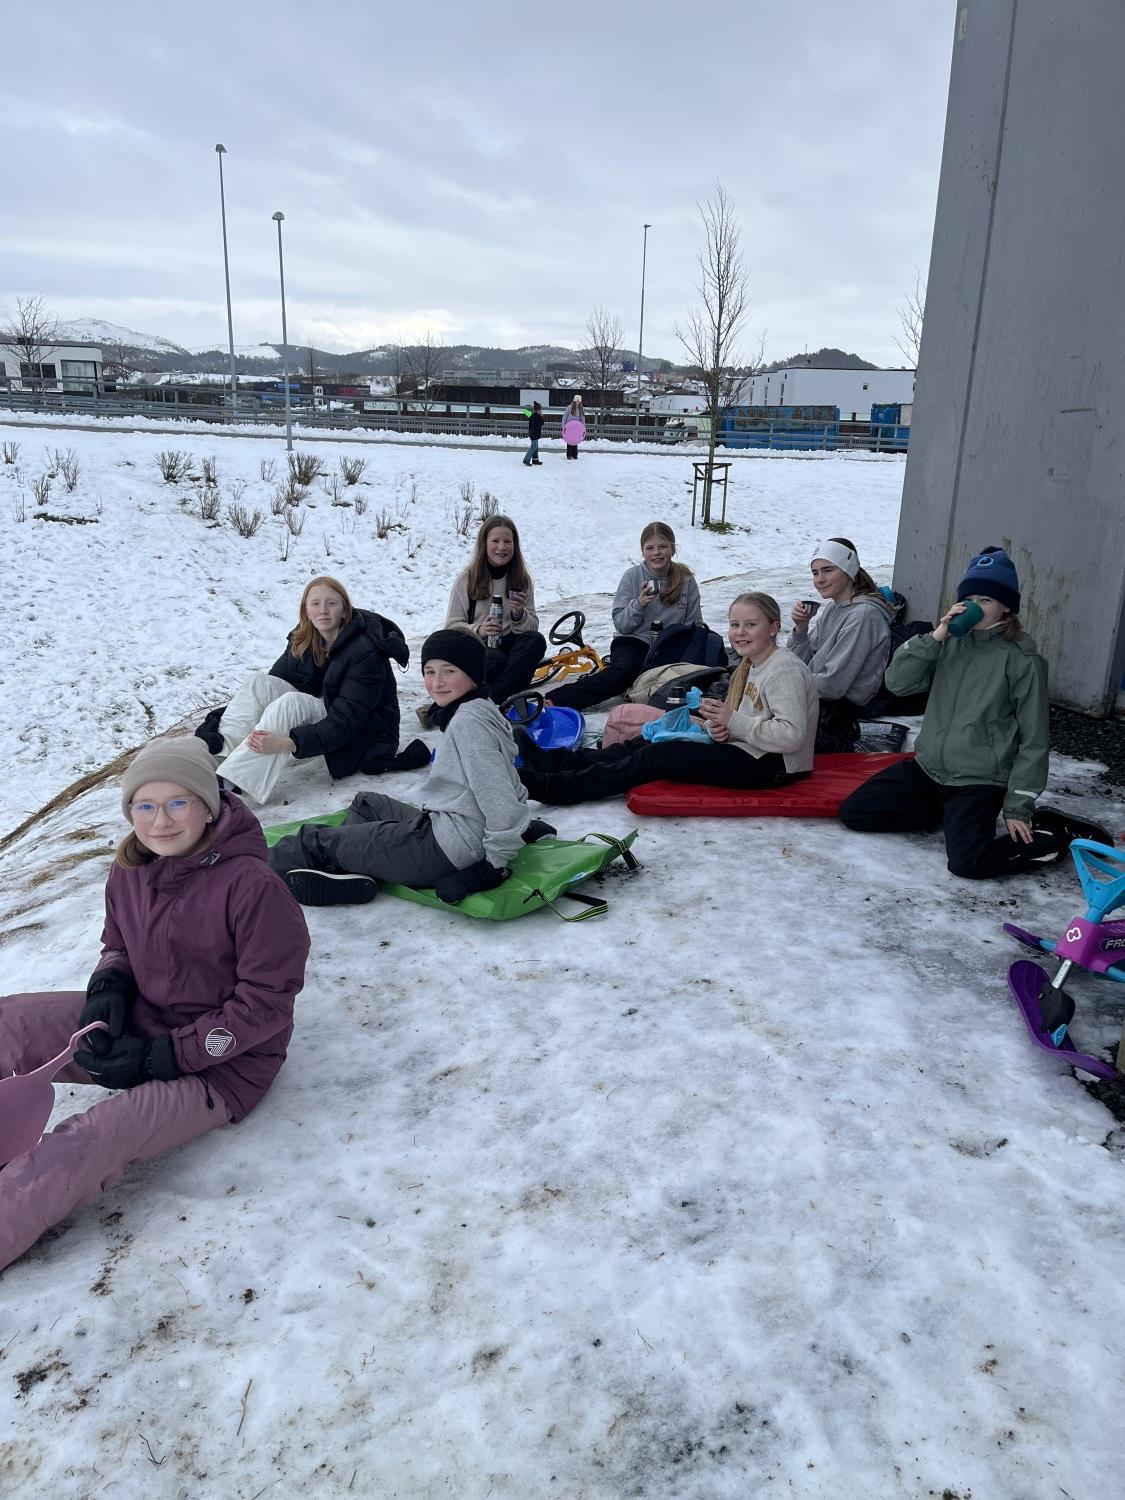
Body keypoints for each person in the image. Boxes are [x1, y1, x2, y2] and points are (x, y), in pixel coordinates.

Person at [0, 737, 310, 1272]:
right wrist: (108, 991)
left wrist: (161, 1058)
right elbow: (117, 946)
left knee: (87, 1141)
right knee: (11, 1021)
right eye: (145, 805)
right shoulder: (130, 870)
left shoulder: (253, 887)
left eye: (177, 803)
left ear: (207, 807)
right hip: (145, 1022)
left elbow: (266, 1004)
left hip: (225, 1066)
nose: (160, 821)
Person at [839, 546, 1110, 879]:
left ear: (1006, 606)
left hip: (978, 780)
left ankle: (1054, 834)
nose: (975, 606)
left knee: (968, 863)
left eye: (986, 600)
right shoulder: (948, 643)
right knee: (856, 812)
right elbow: (898, 683)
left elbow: (1034, 740)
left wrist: (1018, 806)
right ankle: (947, 815)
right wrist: (935, 637)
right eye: (969, 599)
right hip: (929, 770)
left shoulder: (1022, 661)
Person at [268, 630, 554, 906]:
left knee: (313, 840)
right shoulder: (480, 706)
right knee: (366, 803)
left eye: (449, 671)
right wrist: (521, 827)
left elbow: (499, 796)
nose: (437, 682)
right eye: (430, 671)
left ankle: (256, 873)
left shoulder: (468, 724)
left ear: (473, 674)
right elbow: (504, 774)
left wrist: (493, 865)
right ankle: (352, 868)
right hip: (447, 826)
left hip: (445, 852)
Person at [517, 592, 818, 805]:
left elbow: (791, 736)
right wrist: (719, 727)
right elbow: (745, 723)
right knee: (649, 740)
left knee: (660, 755)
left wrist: (732, 721)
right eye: (735, 625)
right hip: (750, 750)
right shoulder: (751, 665)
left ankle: (564, 787)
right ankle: (554, 762)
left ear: (773, 628)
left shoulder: (784, 670)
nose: (740, 633)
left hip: (773, 766)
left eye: (751, 625)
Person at [197, 576, 421, 805]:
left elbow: (347, 721)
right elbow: (272, 687)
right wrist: (216, 722)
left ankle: (229, 785)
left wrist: (289, 743)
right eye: (315, 603)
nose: (323, 611)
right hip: (328, 712)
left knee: (291, 703)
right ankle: (217, 760)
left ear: (345, 610)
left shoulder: (365, 651)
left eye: (331, 603)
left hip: (366, 732)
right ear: (306, 610)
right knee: (259, 683)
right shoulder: (304, 638)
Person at [548, 521, 703, 712]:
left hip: (670, 645)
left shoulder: (686, 580)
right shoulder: (632, 576)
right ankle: (556, 700)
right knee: (622, 674)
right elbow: (622, 625)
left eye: (662, 546)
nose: (656, 553)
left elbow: (694, 623)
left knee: (688, 676)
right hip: (634, 642)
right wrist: (639, 604)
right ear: (642, 551)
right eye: (650, 548)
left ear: (673, 548)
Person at [787, 537, 893, 751]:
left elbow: (832, 686)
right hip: (813, 703)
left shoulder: (863, 616)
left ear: (848, 571)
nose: (820, 579)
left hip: (834, 718)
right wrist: (800, 630)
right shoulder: (833, 609)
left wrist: (781, 685)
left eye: (828, 570)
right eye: (815, 573)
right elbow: (797, 664)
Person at [443, 514, 547, 704]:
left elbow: (532, 628)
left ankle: (491, 698)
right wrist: (478, 630)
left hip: (510, 644)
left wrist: (519, 614)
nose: (502, 547)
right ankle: (501, 694)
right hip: (480, 646)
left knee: (536, 641)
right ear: (484, 544)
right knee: (496, 660)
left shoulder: (522, 580)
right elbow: (451, 627)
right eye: (495, 541)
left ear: (515, 545)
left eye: (507, 541)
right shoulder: (467, 580)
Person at [562, 395, 586, 460]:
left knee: (575, 440)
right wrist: (563, 426)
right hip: (569, 427)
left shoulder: (581, 408)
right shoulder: (569, 407)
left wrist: (583, 427)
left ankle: (575, 455)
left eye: (579, 401)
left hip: (576, 428)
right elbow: (565, 417)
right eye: (577, 401)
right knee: (569, 441)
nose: (578, 402)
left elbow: (582, 418)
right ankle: (569, 455)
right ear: (574, 401)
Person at [523, 401, 544, 466]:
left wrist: (540, 416)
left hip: (534, 434)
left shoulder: (534, 415)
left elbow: (540, 423)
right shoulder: (535, 416)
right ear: (538, 410)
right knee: (533, 447)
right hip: (534, 434)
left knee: (536, 447)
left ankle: (535, 460)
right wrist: (541, 416)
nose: (541, 411)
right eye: (540, 409)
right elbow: (541, 423)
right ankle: (526, 460)